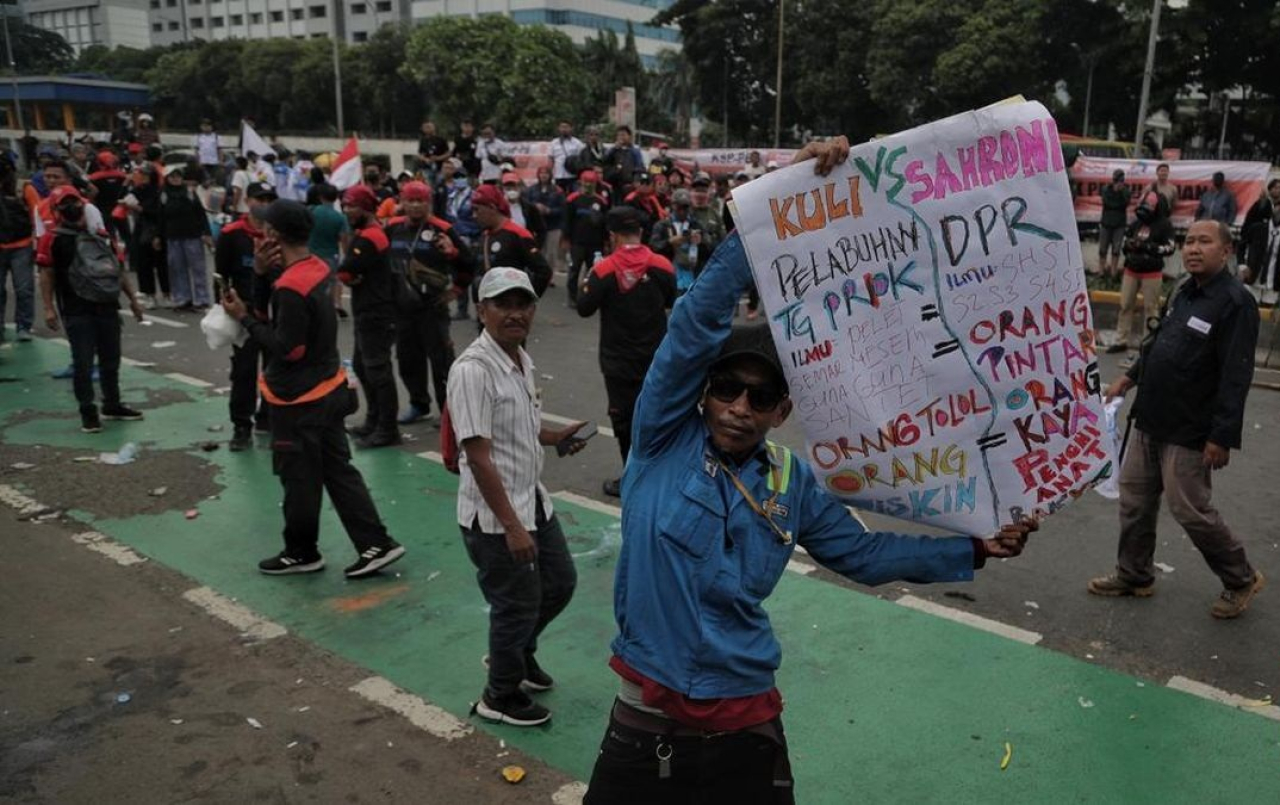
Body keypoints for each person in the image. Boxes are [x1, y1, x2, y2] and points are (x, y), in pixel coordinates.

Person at [582, 138, 1037, 803]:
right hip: (647, 715)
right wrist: (774, 205)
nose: (739, 408)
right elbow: (695, 324)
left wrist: (973, 547)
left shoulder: (791, 482)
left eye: (759, 398)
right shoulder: (660, 441)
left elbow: (864, 554)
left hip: (745, 715)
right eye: (728, 389)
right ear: (704, 392)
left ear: (782, 410)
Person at [219, 199, 406, 579]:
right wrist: (259, 276)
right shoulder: (318, 267)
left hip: (298, 400)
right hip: (328, 388)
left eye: (264, 227)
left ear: (273, 234)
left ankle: (301, 551)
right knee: (339, 471)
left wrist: (243, 319)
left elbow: (287, 348)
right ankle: (376, 543)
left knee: (299, 478)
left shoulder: (289, 287)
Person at [1090, 220, 1263, 619]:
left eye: (1205, 241)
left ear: (1226, 250)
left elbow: (1236, 376)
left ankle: (1240, 577)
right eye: (1189, 241)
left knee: (1190, 510)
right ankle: (1134, 575)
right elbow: (1157, 345)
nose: (1193, 249)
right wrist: (1129, 379)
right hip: (1151, 417)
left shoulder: (1236, 303)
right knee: (1134, 500)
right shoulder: (1184, 291)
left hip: (1191, 430)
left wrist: (1221, 436)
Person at [447, 267, 587, 727]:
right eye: (502, 304)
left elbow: (520, 430)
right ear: (481, 310)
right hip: (496, 519)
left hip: (533, 501)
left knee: (561, 584)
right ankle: (499, 695)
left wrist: (556, 437)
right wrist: (511, 527)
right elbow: (479, 455)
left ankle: (516, 654)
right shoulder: (473, 370)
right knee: (516, 604)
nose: (515, 314)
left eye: (523, 304)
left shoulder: (519, 359)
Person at [577, 206, 676, 497]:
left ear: (612, 236)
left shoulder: (603, 269)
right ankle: (660, 476)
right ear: (641, 233)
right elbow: (672, 300)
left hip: (617, 362)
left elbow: (583, 309)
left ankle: (632, 478)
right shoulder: (663, 266)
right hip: (657, 360)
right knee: (658, 416)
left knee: (625, 421)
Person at [37, 186, 146, 433]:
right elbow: (47, 274)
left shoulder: (100, 234)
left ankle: (112, 404)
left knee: (111, 360)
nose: (72, 209)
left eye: (75, 203)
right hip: (77, 310)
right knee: (83, 363)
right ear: (56, 211)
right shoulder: (52, 239)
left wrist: (134, 301)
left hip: (107, 307)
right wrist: (48, 308)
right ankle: (88, 411)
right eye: (66, 205)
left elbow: (117, 270)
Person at [386, 180, 473, 425]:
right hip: (402, 309)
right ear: (402, 202)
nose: (415, 205)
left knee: (442, 361)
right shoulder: (392, 228)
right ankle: (418, 404)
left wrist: (456, 289)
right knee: (407, 359)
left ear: (429, 203)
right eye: (410, 200)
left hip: (432, 308)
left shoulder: (442, 228)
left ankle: (449, 411)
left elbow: (468, 262)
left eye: (420, 200)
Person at [215, 181, 277, 450]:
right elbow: (220, 275)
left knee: (274, 370)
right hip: (244, 313)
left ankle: (268, 417)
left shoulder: (279, 234)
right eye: (258, 199)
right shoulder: (232, 234)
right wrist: (226, 303)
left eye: (268, 199)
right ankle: (242, 425)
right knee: (243, 371)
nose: (262, 204)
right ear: (247, 201)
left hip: (275, 312)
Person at [338, 185, 401, 448]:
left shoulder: (369, 237)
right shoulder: (366, 234)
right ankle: (375, 421)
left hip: (376, 312)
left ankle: (387, 429)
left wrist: (352, 276)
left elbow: (345, 271)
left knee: (377, 370)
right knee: (365, 368)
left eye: (353, 205)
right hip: (368, 311)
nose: (348, 210)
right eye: (346, 205)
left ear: (366, 207)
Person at [1108, 190, 1173, 357]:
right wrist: (1129, 245)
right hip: (1132, 270)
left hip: (1152, 272)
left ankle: (1149, 343)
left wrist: (1149, 247)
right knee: (1125, 305)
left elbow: (1170, 248)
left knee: (1151, 309)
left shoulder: (1164, 225)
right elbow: (1124, 241)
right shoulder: (1137, 223)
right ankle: (1121, 340)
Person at [471, 184, 552, 298]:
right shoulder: (485, 235)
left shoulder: (518, 234)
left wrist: (525, 301)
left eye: (477, 209)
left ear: (492, 207)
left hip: (508, 310)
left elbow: (543, 272)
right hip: (487, 310)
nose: (474, 215)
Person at [159, 165, 214, 312]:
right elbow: (160, 217)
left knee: (198, 269)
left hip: (192, 236)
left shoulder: (190, 193)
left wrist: (207, 233)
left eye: (178, 176)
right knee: (177, 269)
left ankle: (202, 299)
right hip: (172, 237)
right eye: (172, 176)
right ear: (167, 179)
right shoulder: (163, 195)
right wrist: (157, 236)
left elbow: (200, 214)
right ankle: (182, 299)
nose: (175, 179)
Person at [0, 156, 36, 342]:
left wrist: (39, 245)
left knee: (24, 289)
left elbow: (37, 215)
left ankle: (24, 325)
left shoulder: (24, 189)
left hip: (21, 246)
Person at [561, 170, 610, 306]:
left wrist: (606, 242)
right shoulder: (572, 199)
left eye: (591, 182)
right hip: (577, 242)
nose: (588, 185)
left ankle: (590, 296)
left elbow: (605, 224)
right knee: (574, 270)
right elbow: (566, 222)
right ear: (581, 182)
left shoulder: (601, 201)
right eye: (586, 182)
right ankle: (572, 297)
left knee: (593, 272)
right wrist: (566, 240)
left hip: (595, 243)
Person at [649, 188, 706, 295]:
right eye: (679, 207)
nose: (682, 211)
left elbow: (710, 249)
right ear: (673, 206)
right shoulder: (662, 225)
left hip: (693, 278)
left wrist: (700, 243)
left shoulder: (696, 225)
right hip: (670, 277)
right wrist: (670, 243)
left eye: (685, 207)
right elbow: (653, 248)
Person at [307, 182, 350, 318]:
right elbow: (344, 239)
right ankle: (337, 303)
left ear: (320, 197)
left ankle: (315, 306)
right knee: (334, 280)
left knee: (313, 282)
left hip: (312, 253)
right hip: (331, 254)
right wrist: (347, 257)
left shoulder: (311, 211)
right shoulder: (340, 217)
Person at [1240, 178, 1280, 306]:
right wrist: (1243, 264)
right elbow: (1244, 240)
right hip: (1255, 272)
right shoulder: (1261, 205)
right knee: (1249, 306)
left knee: (1268, 310)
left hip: (1273, 277)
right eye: (1276, 187)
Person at [525, 166, 565, 274]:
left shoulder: (557, 190)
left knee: (551, 253)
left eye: (546, 173)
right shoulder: (531, 190)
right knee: (537, 251)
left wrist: (549, 211)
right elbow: (526, 205)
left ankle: (549, 274)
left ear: (550, 175)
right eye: (541, 173)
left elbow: (562, 209)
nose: (543, 175)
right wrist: (535, 207)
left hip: (553, 225)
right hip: (536, 226)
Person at [1098, 169, 1129, 280]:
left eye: (1121, 180)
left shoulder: (1126, 190)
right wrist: (1115, 196)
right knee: (1102, 249)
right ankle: (1101, 271)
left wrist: (1119, 193)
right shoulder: (1106, 189)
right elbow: (1107, 203)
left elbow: (1125, 204)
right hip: (1106, 223)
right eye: (1117, 180)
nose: (1119, 182)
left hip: (1119, 225)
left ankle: (1113, 273)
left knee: (1116, 250)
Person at [603, 126, 644, 197]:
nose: (621, 137)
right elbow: (605, 161)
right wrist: (614, 149)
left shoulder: (635, 151)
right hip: (615, 183)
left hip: (629, 184)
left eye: (623, 135)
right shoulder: (613, 150)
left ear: (629, 136)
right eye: (619, 135)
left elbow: (639, 167)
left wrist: (636, 180)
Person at [549, 121, 584, 194]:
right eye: (562, 127)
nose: (564, 129)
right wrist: (550, 175)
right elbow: (551, 160)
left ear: (571, 128)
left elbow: (582, 160)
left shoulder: (577, 143)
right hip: (559, 176)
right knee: (560, 198)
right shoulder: (554, 143)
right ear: (558, 128)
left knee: (574, 198)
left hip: (573, 177)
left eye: (566, 127)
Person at [194, 119, 223, 185]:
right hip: (203, 162)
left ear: (211, 127)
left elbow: (220, 150)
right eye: (204, 126)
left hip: (214, 162)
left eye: (208, 126)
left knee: (213, 180)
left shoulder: (216, 137)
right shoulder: (199, 137)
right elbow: (196, 150)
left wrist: (221, 161)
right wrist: (197, 161)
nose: (206, 128)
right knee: (204, 180)